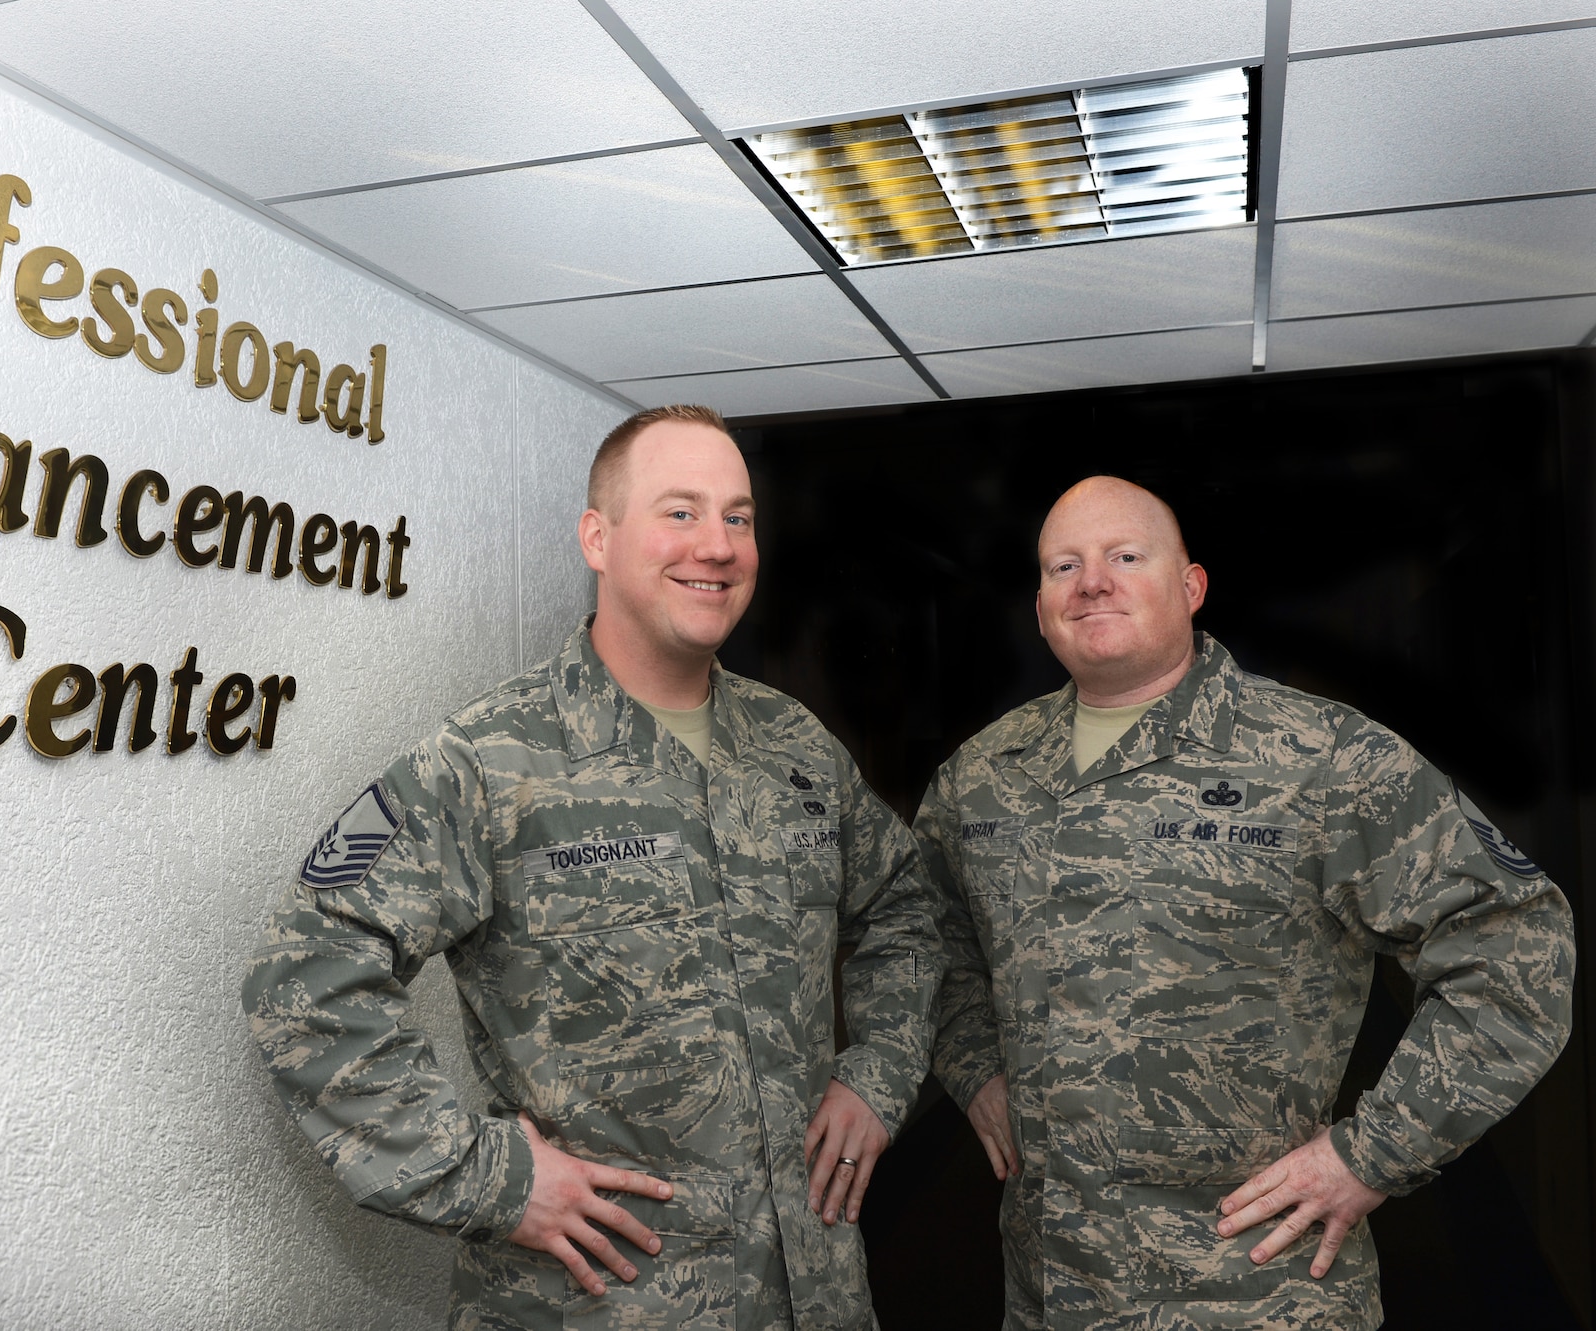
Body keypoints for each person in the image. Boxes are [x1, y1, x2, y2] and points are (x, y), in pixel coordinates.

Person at [244, 404, 943, 1330]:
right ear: (598, 538)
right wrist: (488, 1175)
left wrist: (879, 1072)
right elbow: (306, 971)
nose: (719, 544)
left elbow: (905, 904)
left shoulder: (794, 749)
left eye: (738, 516)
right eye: (681, 511)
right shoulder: (491, 759)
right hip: (601, 1303)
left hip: (811, 1292)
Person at [917, 475, 1576, 1330]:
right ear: (1042, 609)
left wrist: (1371, 1154)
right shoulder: (984, 775)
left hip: (1256, 1290)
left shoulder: (1323, 759)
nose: (1092, 581)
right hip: (1053, 1293)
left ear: (1190, 587)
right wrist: (973, 1065)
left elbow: (1516, 946)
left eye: (1125, 556)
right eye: (1063, 565)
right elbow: (919, 932)